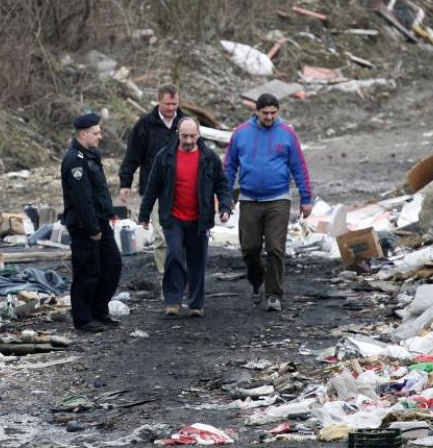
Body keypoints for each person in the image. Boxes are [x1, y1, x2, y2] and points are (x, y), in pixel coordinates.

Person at [224, 93, 313, 312]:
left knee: (275, 247)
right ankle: (257, 281)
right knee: (249, 248)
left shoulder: (287, 134)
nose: (270, 117)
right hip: (249, 199)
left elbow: (298, 167)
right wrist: (225, 197)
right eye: (265, 113)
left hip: (278, 199)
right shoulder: (241, 134)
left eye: (274, 113)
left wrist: (306, 197)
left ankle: (273, 294)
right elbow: (229, 167)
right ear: (256, 111)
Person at [138, 116, 232, 318]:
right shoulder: (165, 157)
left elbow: (222, 185)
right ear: (177, 135)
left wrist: (225, 207)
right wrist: (144, 214)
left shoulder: (209, 158)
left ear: (199, 135)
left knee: (197, 261)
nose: (188, 141)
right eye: (184, 136)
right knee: (174, 255)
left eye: (192, 136)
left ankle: (196, 304)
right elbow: (153, 187)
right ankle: (173, 301)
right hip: (173, 217)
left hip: (199, 218)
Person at [60, 113, 123, 333]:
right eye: (96, 133)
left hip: (100, 221)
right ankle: (83, 318)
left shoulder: (91, 155)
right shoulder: (74, 160)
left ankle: (99, 310)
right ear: (83, 134)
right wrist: (92, 228)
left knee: (112, 265)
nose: (100, 137)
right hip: (85, 225)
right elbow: (81, 199)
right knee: (88, 271)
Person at [119, 84, 185, 274]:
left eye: (175, 104)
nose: (172, 108)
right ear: (158, 101)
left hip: (183, 188)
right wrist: (125, 183)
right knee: (162, 236)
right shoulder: (145, 125)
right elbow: (133, 155)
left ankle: (182, 274)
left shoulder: (185, 123)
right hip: (154, 189)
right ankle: (166, 277)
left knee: (183, 235)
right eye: (167, 104)